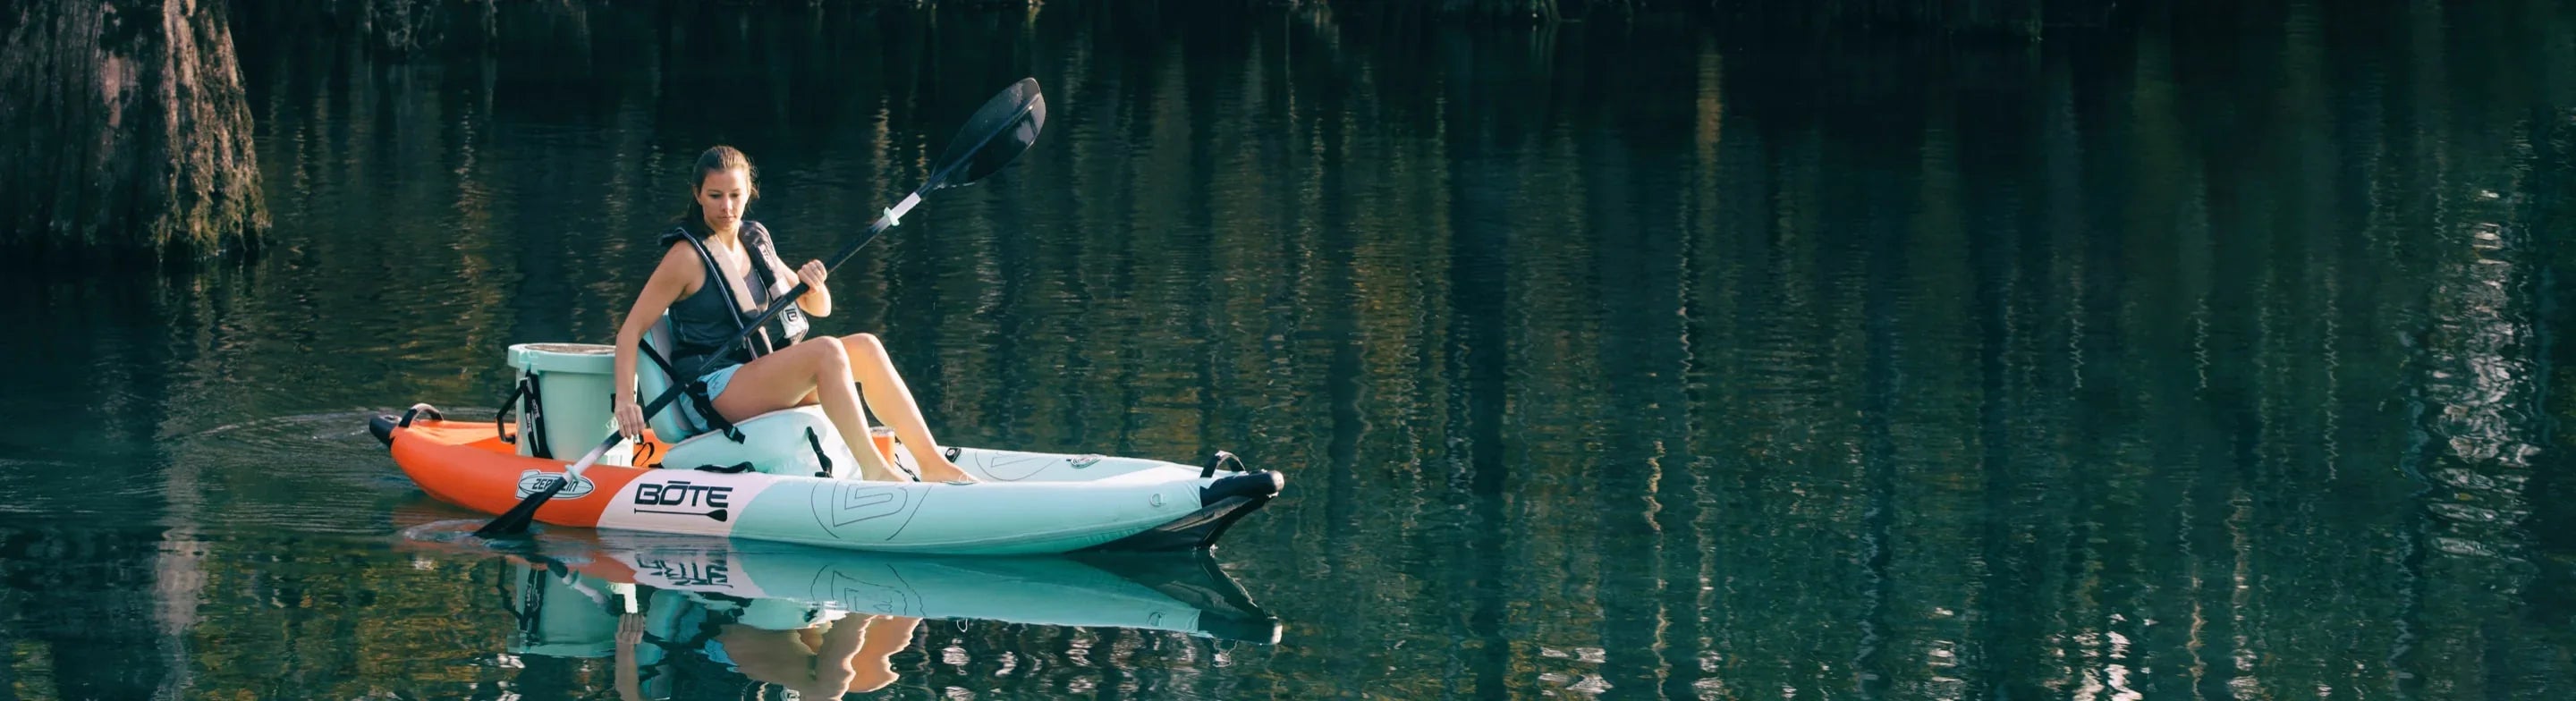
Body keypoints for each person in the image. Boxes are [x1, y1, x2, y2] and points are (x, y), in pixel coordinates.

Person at [611, 145, 974, 483]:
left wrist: (815, 284)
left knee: (865, 345)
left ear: (749, 192)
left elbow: (820, 309)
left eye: (735, 196)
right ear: (697, 195)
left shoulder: (754, 241)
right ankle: (874, 470)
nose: (727, 208)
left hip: (754, 374)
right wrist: (627, 399)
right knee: (826, 352)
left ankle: (931, 463)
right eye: (715, 196)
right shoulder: (685, 258)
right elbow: (630, 331)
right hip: (712, 387)